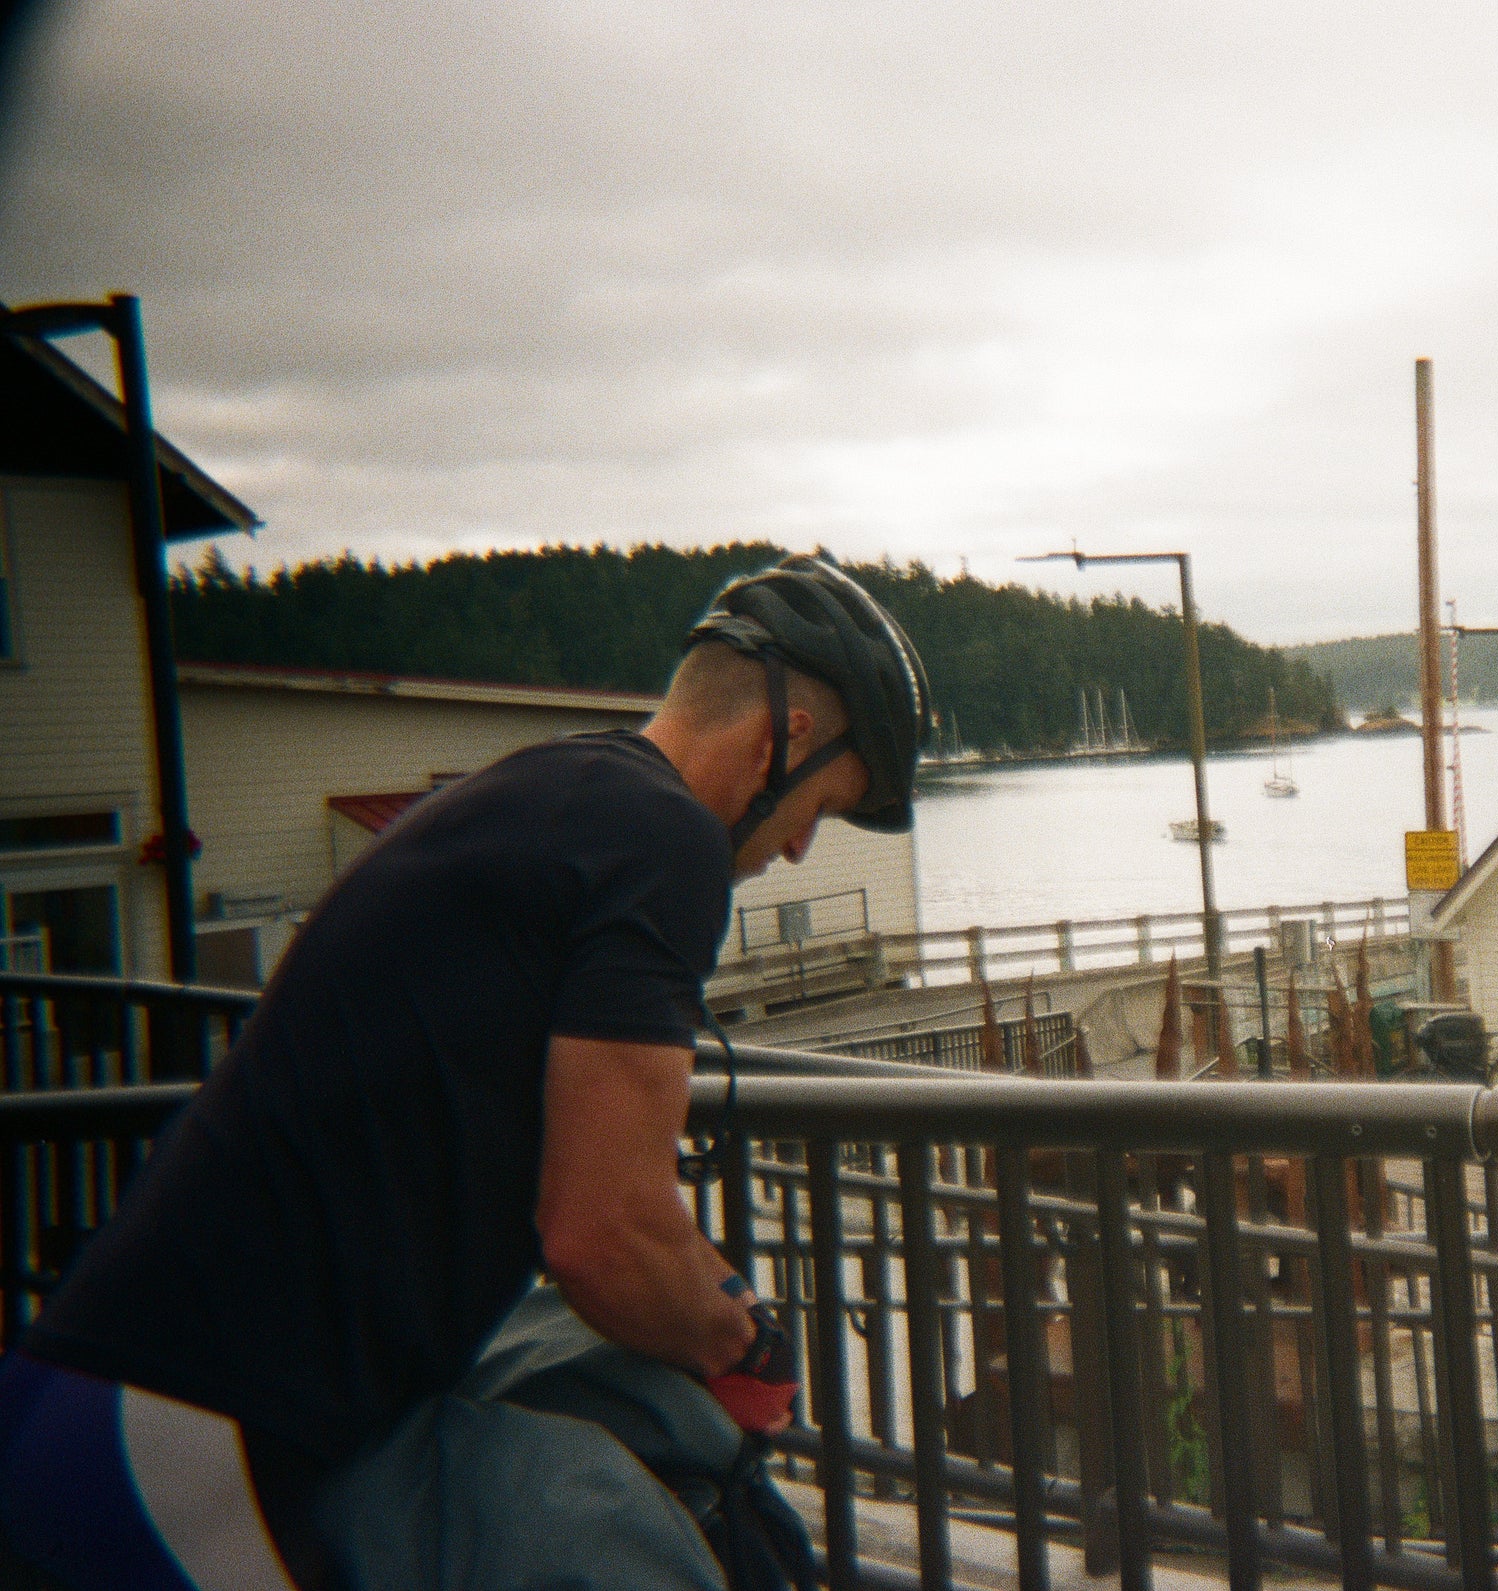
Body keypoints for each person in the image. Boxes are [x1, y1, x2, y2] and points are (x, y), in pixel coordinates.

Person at [0, 553, 930, 1590]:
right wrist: (747, 1348)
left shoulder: (552, 786)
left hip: (99, 1390)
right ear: (783, 739)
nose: (802, 850)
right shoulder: (664, 839)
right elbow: (602, 1232)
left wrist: (705, 1299)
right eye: (824, 808)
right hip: (191, 1438)